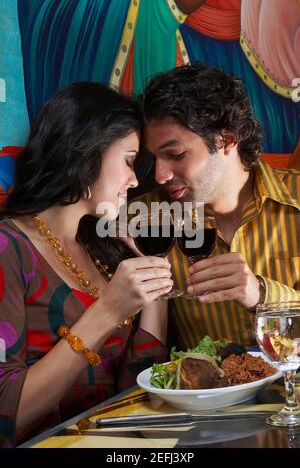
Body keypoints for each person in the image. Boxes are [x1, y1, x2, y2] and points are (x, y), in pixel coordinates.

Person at [0, 82, 172, 447]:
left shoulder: (103, 248)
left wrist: (151, 274)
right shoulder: (8, 247)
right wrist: (108, 310)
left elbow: (138, 388)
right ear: (85, 150)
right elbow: (5, 417)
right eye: (128, 161)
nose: (135, 180)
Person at [138, 62, 300, 351]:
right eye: (154, 159)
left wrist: (263, 295)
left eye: (175, 154)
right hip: (205, 393)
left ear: (226, 139)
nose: (160, 175)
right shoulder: (146, 221)